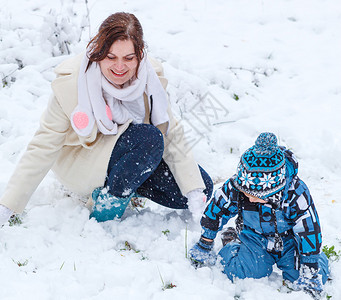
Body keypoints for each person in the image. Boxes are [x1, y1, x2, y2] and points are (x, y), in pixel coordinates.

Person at [0, 12, 213, 225]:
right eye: (111, 57)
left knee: (201, 186)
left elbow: (171, 133)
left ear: (140, 54)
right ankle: (107, 209)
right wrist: (8, 205)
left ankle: (126, 183)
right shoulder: (73, 83)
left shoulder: (150, 79)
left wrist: (194, 192)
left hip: (134, 154)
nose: (120, 67)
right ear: (99, 52)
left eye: (129, 58)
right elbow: (42, 146)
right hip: (84, 161)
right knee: (149, 138)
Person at [189, 132, 329, 299]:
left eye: (256, 195)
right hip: (254, 238)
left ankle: (315, 262)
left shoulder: (295, 193)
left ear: (274, 189)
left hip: (289, 241)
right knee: (241, 273)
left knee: (302, 276)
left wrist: (311, 269)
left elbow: (309, 228)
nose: (248, 197)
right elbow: (217, 209)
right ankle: (232, 243)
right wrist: (206, 241)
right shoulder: (238, 187)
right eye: (245, 192)